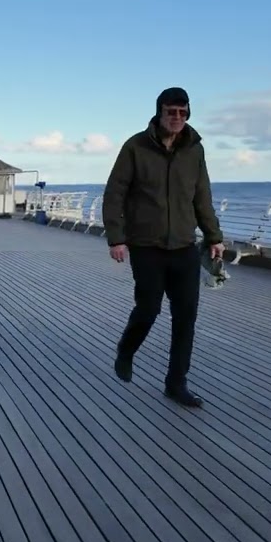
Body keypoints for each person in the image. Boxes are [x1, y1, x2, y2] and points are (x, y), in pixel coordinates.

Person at [102, 86, 224, 407]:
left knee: (186, 317)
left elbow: (202, 197)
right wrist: (116, 238)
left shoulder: (194, 150)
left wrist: (214, 236)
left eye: (183, 113)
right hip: (147, 245)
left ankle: (176, 383)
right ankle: (126, 351)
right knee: (149, 309)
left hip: (184, 246)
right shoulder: (136, 147)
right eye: (172, 112)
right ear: (160, 112)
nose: (177, 118)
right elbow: (115, 193)